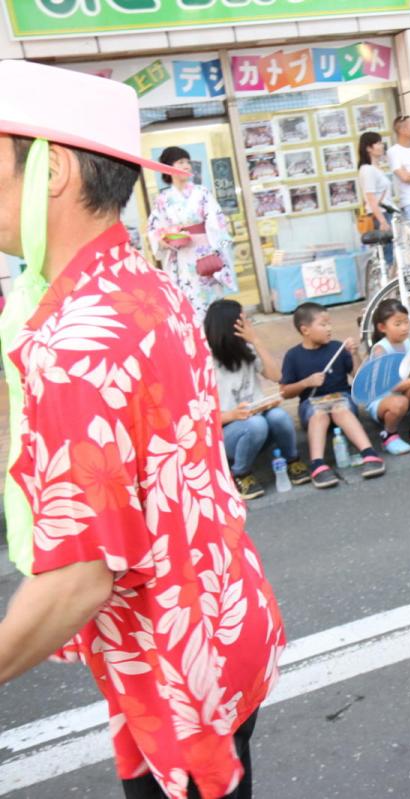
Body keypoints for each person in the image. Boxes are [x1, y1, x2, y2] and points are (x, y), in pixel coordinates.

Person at [0, 60, 283, 799]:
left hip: (172, 657)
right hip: (215, 611)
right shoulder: (139, 281)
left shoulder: (76, 338)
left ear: (51, 170)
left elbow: (78, 574)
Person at [206, 299, 310, 498]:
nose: (249, 326)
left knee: (278, 415)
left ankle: (293, 461)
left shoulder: (246, 350)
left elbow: (277, 377)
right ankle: (241, 473)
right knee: (255, 424)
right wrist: (233, 415)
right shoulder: (205, 364)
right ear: (231, 327)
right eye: (244, 321)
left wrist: (257, 341)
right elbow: (200, 419)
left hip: (257, 424)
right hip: (230, 435)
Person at [279, 302, 386, 488]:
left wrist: (353, 354)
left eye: (330, 323)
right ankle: (318, 464)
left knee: (340, 409)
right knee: (319, 414)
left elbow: (358, 377)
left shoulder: (337, 347)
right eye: (323, 324)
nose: (329, 328)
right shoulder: (293, 356)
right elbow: (285, 391)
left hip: (341, 398)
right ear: (305, 330)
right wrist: (306, 382)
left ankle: (369, 453)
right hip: (311, 405)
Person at [146, 145, 236, 326]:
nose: (187, 166)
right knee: (187, 301)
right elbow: (155, 229)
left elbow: (218, 224)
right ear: (167, 168)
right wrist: (163, 241)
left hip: (206, 253)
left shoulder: (202, 193)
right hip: (181, 257)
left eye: (188, 162)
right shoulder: (162, 199)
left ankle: (217, 341)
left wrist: (222, 248)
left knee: (211, 300)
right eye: (180, 162)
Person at [367, 299, 410, 455]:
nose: (405, 327)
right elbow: (391, 386)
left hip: (403, 395)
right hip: (382, 401)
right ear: (382, 327)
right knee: (401, 400)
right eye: (398, 324)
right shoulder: (380, 350)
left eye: (406, 322)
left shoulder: (408, 342)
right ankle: (389, 434)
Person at [357, 131, 393, 232]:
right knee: (387, 247)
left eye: (381, 143)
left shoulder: (375, 168)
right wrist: (382, 221)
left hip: (385, 213)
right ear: (368, 148)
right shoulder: (367, 169)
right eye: (378, 143)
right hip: (380, 216)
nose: (382, 146)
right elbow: (371, 198)